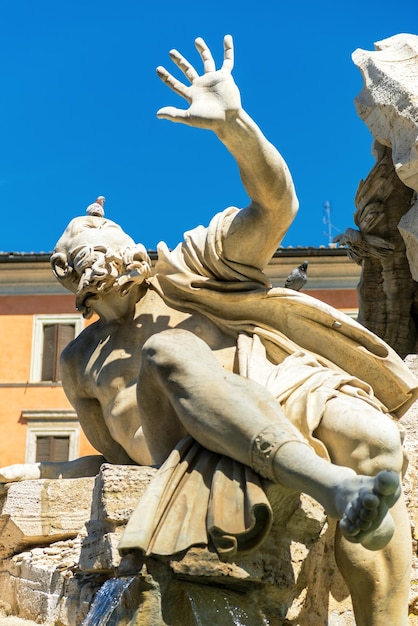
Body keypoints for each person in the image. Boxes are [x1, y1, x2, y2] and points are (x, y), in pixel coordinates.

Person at [1, 36, 417, 625]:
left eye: (108, 240)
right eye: (84, 250)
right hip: (185, 441)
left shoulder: (194, 268)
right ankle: (329, 484)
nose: (102, 251)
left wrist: (235, 126)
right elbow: (111, 459)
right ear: (72, 278)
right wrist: (36, 472)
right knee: (168, 350)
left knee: (377, 443)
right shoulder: (79, 361)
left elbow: (276, 206)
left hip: (281, 389)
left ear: (131, 248)